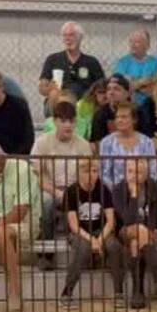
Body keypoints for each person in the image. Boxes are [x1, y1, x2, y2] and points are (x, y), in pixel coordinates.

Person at [0, 137, 41, 310]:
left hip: (24, 222)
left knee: (0, 233)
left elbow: (21, 211)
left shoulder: (22, 169)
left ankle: (14, 293)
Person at [108, 156, 157, 309]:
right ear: (125, 172)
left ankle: (138, 292)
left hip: (147, 232)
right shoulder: (118, 190)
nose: (134, 175)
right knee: (138, 230)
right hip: (123, 231)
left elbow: (156, 212)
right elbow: (127, 219)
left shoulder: (152, 187)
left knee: (136, 242)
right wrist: (134, 195)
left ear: (146, 174)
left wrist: (154, 229)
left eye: (139, 172)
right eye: (130, 171)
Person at [57, 156, 115, 309]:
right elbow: (74, 226)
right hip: (78, 232)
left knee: (114, 246)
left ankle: (119, 291)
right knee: (83, 248)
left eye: (95, 171)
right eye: (87, 171)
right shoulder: (70, 192)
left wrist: (100, 239)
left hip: (100, 229)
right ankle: (67, 293)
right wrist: (92, 240)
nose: (92, 175)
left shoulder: (104, 190)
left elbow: (111, 221)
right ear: (79, 173)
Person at [30, 99, 93, 237]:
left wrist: (73, 192)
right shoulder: (42, 142)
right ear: (54, 121)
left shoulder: (83, 145)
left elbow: (89, 174)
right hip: (50, 189)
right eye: (63, 121)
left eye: (71, 121)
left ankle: (80, 239)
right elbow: (36, 175)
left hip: (77, 189)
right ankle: (47, 242)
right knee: (46, 202)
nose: (68, 125)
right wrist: (57, 192)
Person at [39, 22, 105, 106]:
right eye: (64, 35)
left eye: (71, 35)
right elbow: (42, 89)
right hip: (59, 102)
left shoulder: (91, 62)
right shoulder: (53, 59)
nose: (67, 38)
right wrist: (50, 89)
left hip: (84, 103)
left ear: (80, 37)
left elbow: (102, 88)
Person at [98, 100, 157, 187]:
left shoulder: (147, 142)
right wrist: (117, 191)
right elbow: (103, 173)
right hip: (113, 192)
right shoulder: (106, 142)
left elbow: (152, 173)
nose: (119, 120)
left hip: (141, 191)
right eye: (117, 117)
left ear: (134, 120)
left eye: (124, 117)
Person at [113, 29, 157, 106]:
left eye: (137, 42)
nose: (133, 45)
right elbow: (119, 88)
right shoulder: (122, 63)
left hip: (151, 105)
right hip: (127, 105)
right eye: (131, 42)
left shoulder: (156, 64)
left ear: (147, 45)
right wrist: (141, 82)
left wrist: (133, 84)